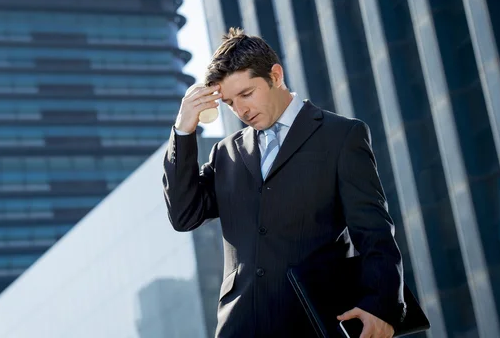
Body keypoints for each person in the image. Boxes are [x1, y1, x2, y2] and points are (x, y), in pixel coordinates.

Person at [162, 28, 406, 337]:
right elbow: (184, 216)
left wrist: (380, 305)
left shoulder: (341, 136)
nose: (241, 110)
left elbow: (374, 232)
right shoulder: (226, 154)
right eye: (230, 103)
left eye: (247, 94)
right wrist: (183, 131)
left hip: (313, 323)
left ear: (275, 76)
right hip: (239, 328)